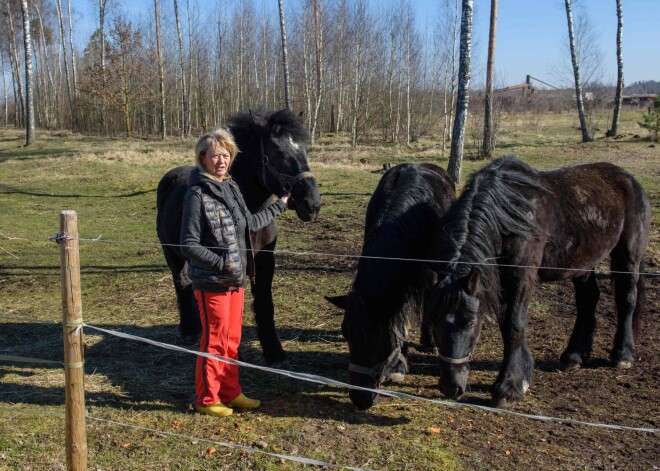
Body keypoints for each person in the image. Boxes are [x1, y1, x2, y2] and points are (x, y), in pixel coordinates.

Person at [180, 128, 289, 418]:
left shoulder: (231, 187)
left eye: (226, 155)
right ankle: (207, 398)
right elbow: (188, 245)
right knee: (214, 340)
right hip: (212, 281)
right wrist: (222, 262)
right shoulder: (196, 194)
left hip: (236, 280)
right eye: (215, 155)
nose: (221, 160)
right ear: (203, 158)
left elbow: (250, 224)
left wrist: (280, 205)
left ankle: (230, 391)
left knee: (232, 339)